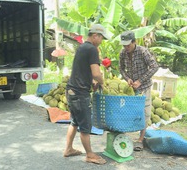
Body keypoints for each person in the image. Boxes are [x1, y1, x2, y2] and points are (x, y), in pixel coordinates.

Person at [63, 24, 109, 165]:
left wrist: (92, 83)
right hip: (79, 93)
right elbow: (96, 73)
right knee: (85, 125)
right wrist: (101, 82)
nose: (101, 41)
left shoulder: (82, 47)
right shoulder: (92, 49)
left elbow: (84, 71)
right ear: (95, 35)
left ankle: (68, 149)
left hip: (71, 91)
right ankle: (89, 154)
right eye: (101, 38)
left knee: (75, 122)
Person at [119, 30, 159, 151]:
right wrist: (128, 79)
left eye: (128, 45)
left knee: (145, 113)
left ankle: (140, 139)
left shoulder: (143, 51)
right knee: (128, 112)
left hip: (144, 87)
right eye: (124, 45)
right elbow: (121, 69)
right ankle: (124, 136)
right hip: (131, 89)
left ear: (134, 42)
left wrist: (140, 81)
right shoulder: (122, 53)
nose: (126, 47)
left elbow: (154, 66)